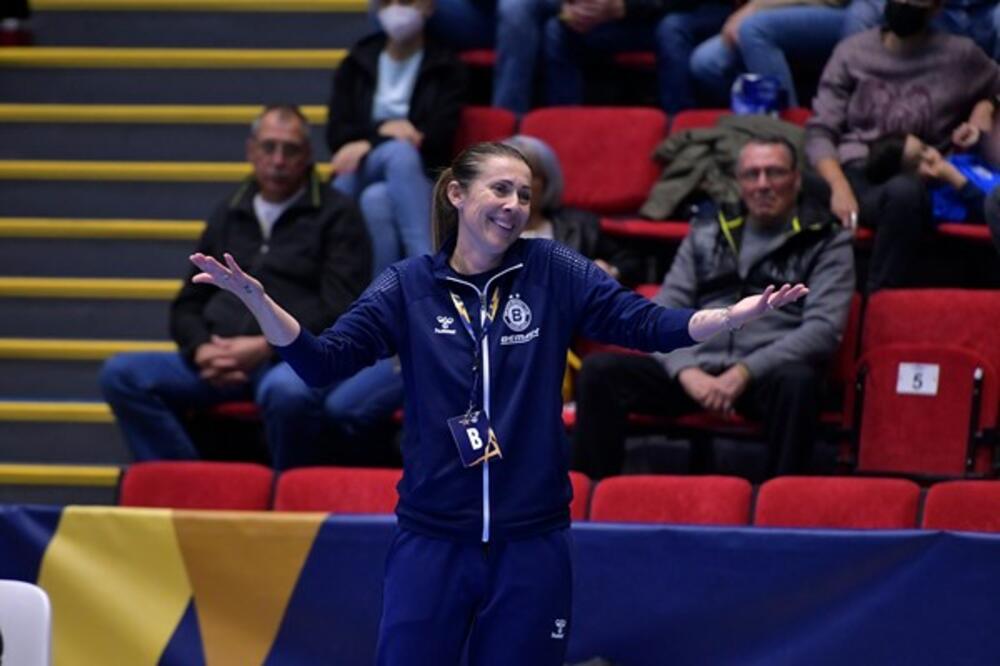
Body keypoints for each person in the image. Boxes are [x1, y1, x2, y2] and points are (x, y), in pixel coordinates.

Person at [188, 141, 806, 664]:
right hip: (433, 540)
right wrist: (260, 304)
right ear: (458, 194)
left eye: (525, 195)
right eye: (501, 190)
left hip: (531, 543)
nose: (515, 206)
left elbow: (645, 324)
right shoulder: (408, 286)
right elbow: (322, 364)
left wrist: (730, 317)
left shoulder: (552, 269)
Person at [99, 105, 371, 469]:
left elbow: (340, 307)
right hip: (218, 356)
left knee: (287, 392)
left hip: (288, 359)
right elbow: (188, 302)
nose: (278, 160)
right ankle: (191, 487)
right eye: (269, 147)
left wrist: (267, 346)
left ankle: (288, 494)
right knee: (121, 374)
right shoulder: (229, 211)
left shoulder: (338, 213)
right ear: (251, 151)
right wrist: (201, 349)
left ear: (307, 155)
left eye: (290, 150)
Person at [573, 137, 854, 481]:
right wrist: (687, 372)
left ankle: (781, 502)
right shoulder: (707, 232)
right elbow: (660, 313)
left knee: (799, 383)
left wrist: (743, 373)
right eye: (752, 174)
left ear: (796, 179)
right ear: (738, 182)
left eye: (775, 173)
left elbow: (823, 330)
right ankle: (590, 497)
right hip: (696, 370)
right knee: (600, 372)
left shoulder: (826, 238)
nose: (763, 184)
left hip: (765, 375)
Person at [806, 0, 1000, 291]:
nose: (905, 3)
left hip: (919, 174)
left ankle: (880, 297)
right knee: (789, 174)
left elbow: (996, 84)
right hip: (856, 172)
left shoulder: (960, 56)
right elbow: (821, 131)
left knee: (904, 192)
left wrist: (986, 105)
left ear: (936, 8)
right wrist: (838, 186)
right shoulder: (853, 51)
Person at [327, 0, 464, 277]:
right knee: (398, 153)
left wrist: (368, 140)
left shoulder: (446, 65)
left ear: (429, 6)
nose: (397, 8)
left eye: (407, 1)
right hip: (366, 166)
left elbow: (438, 139)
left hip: (420, 173)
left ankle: (379, 292)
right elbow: (337, 134)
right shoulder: (357, 60)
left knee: (376, 200)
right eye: (388, 1)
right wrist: (381, 135)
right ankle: (431, 269)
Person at [543, 0, 732, 113]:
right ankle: (564, 124)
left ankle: (681, 128)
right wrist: (578, 8)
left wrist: (625, 6)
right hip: (632, 19)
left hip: (695, 11)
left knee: (671, 29)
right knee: (558, 29)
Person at [689, 0, 851, 110]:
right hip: (768, 10)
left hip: (838, 11)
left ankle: (786, 130)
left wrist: (757, 7)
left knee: (755, 29)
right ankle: (749, 125)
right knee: (706, 61)